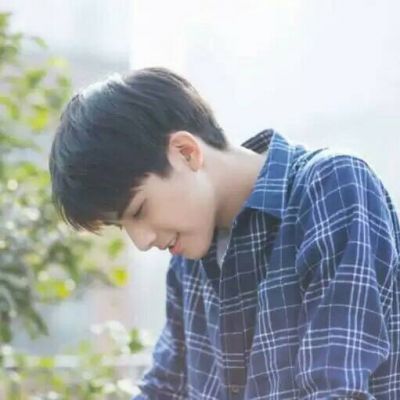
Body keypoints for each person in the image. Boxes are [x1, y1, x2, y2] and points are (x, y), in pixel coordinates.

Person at [49, 67, 400, 399]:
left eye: (140, 210)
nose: (141, 241)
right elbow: (165, 389)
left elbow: (335, 387)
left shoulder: (328, 186)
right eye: (122, 226)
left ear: (186, 152)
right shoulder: (188, 257)